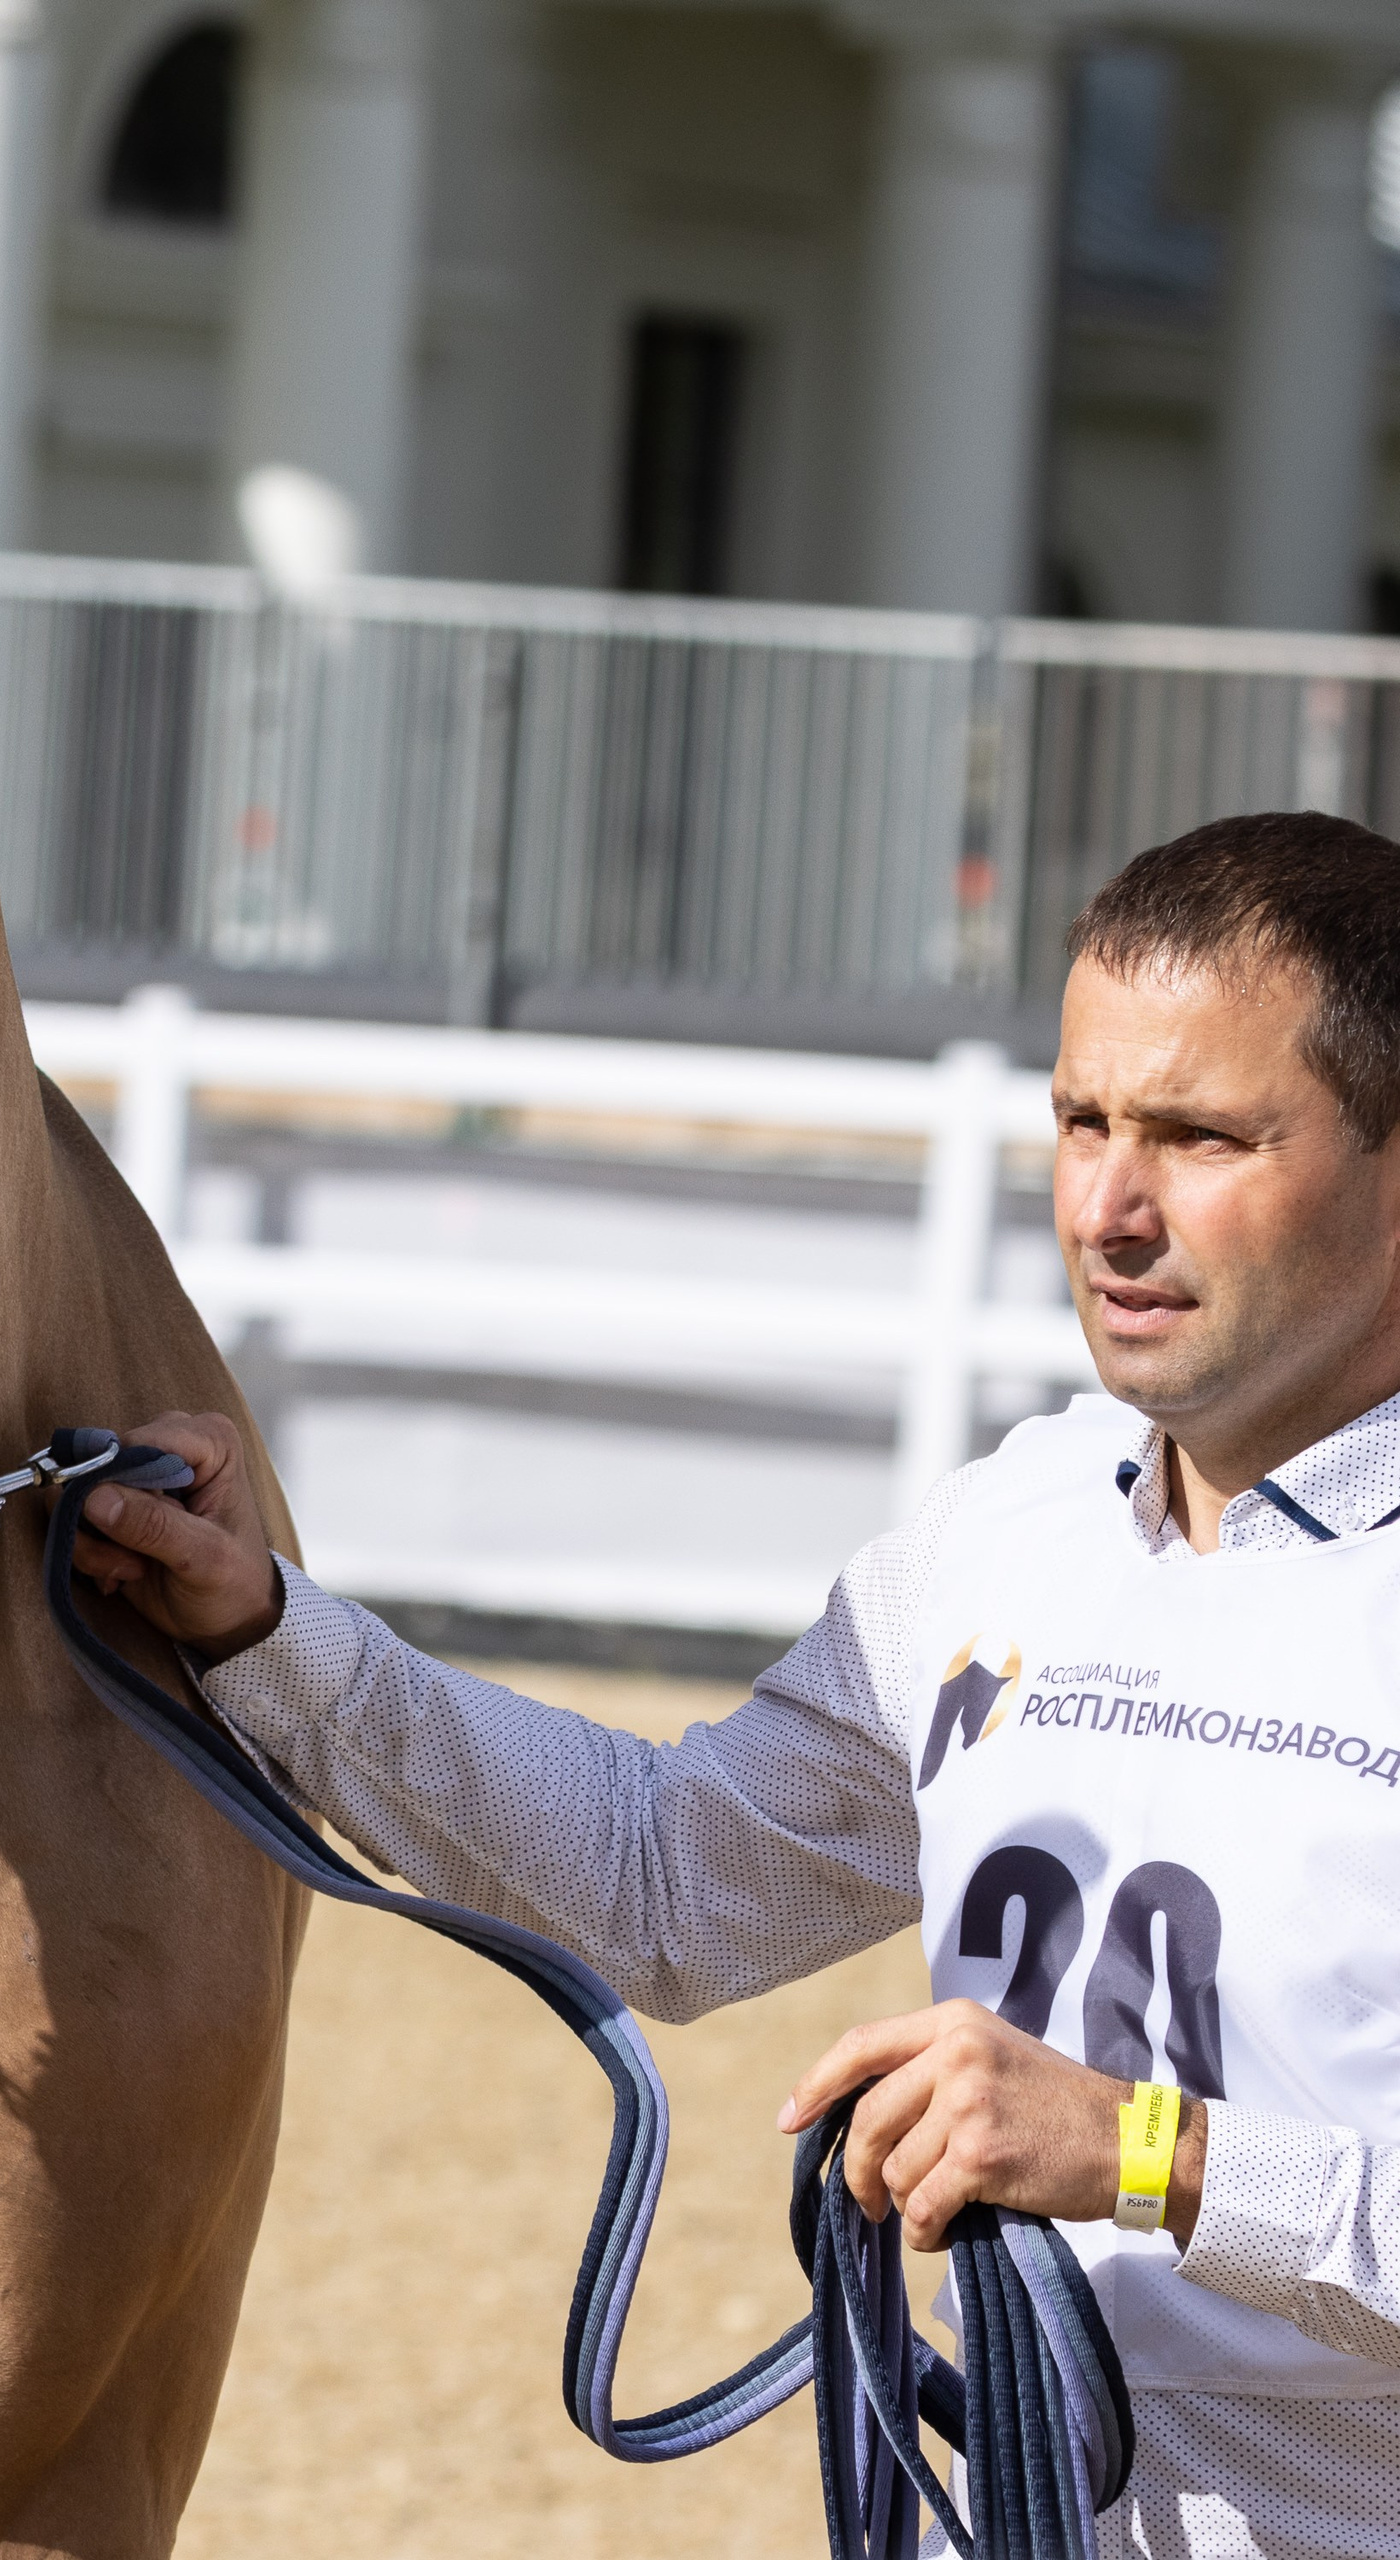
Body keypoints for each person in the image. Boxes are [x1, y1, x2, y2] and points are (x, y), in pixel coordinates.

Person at [74, 810, 1400, 2559]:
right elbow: (668, 1877)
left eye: (1202, 1136)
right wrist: (268, 1632)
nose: (1108, 1209)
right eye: (1083, 1121)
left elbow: (1146, 2152)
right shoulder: (1007, 1530)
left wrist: (1151, 2155)